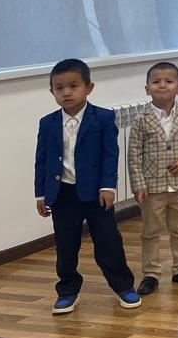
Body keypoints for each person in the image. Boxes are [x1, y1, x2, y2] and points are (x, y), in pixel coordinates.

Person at [34, 58, 140, 314]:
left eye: (73, 86)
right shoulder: (48, 123)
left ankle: (123, 285)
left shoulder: (103, 118)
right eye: (59, 88)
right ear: (52, 92)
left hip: (96, 194)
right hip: (62, 195)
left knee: (108, 242)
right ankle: (68, 290)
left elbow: (110, 154)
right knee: (66, 244)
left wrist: (108, 187)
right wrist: (41, 194)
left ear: (88, 88)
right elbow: (41, 160)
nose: (66, 92)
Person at [128, 61, 178, 295]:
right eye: (156, 82)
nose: (162, 85)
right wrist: (138, 185)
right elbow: (134, 154)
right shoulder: (141, 119)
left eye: (169, 81)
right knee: (151, 231)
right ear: (147, 88)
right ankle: (151, 273)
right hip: (152, 187)